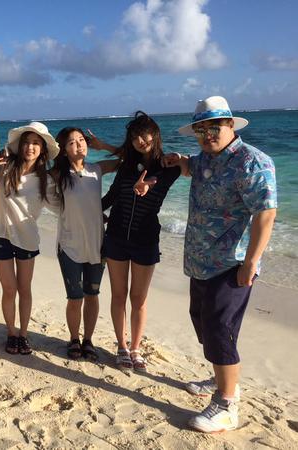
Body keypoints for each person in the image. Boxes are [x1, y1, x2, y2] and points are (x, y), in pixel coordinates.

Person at [164, 96, 276, 433]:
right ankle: (221, 378)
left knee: (218, 329)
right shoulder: (203, 159)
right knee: (204, 324)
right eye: (200, 130)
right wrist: (179, 161)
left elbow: (266, 213)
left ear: (230, 125)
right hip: (200, 261)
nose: (207, 135)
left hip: (232, 264)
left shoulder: (252, 162)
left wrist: (251, 262)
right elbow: (191, 168)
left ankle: (227, 404)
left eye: (214, 127)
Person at [100, 112, 181, 372]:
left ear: (155, 135)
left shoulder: (169, 166)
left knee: (139, 298)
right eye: (134, 137)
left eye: (144, 134)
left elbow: (161, 178)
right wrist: (90, 211)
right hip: (116, 236)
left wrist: (149, 184)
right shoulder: (126, 166)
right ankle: (122, 346)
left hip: (145, 239)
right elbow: (111, 196)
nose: (140, 140)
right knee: (118, 294)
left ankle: (135, 348)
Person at [0, 121, 59, 355]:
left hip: (27, 239)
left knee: (24, 289)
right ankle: (11, 333)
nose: (30, 147)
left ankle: (23, 334)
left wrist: (92, 212)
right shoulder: (5, 167)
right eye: (26, 142)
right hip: (0, 236)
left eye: (36, 143)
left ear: (42, 149)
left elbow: (61, 207)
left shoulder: (46, 180)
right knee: (9, 290)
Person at [51, 127, 119, 360]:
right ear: (63, 150)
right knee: (75, 298)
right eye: (72, 142)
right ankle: (73, 338)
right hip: (69, 244)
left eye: (81, 140)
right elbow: (32, 175)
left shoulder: (97, 169)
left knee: (92, 294)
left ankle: (88, 340)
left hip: (96, 243)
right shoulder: (58, 175)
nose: (79, 144)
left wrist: (104, 146)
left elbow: (129, 159)